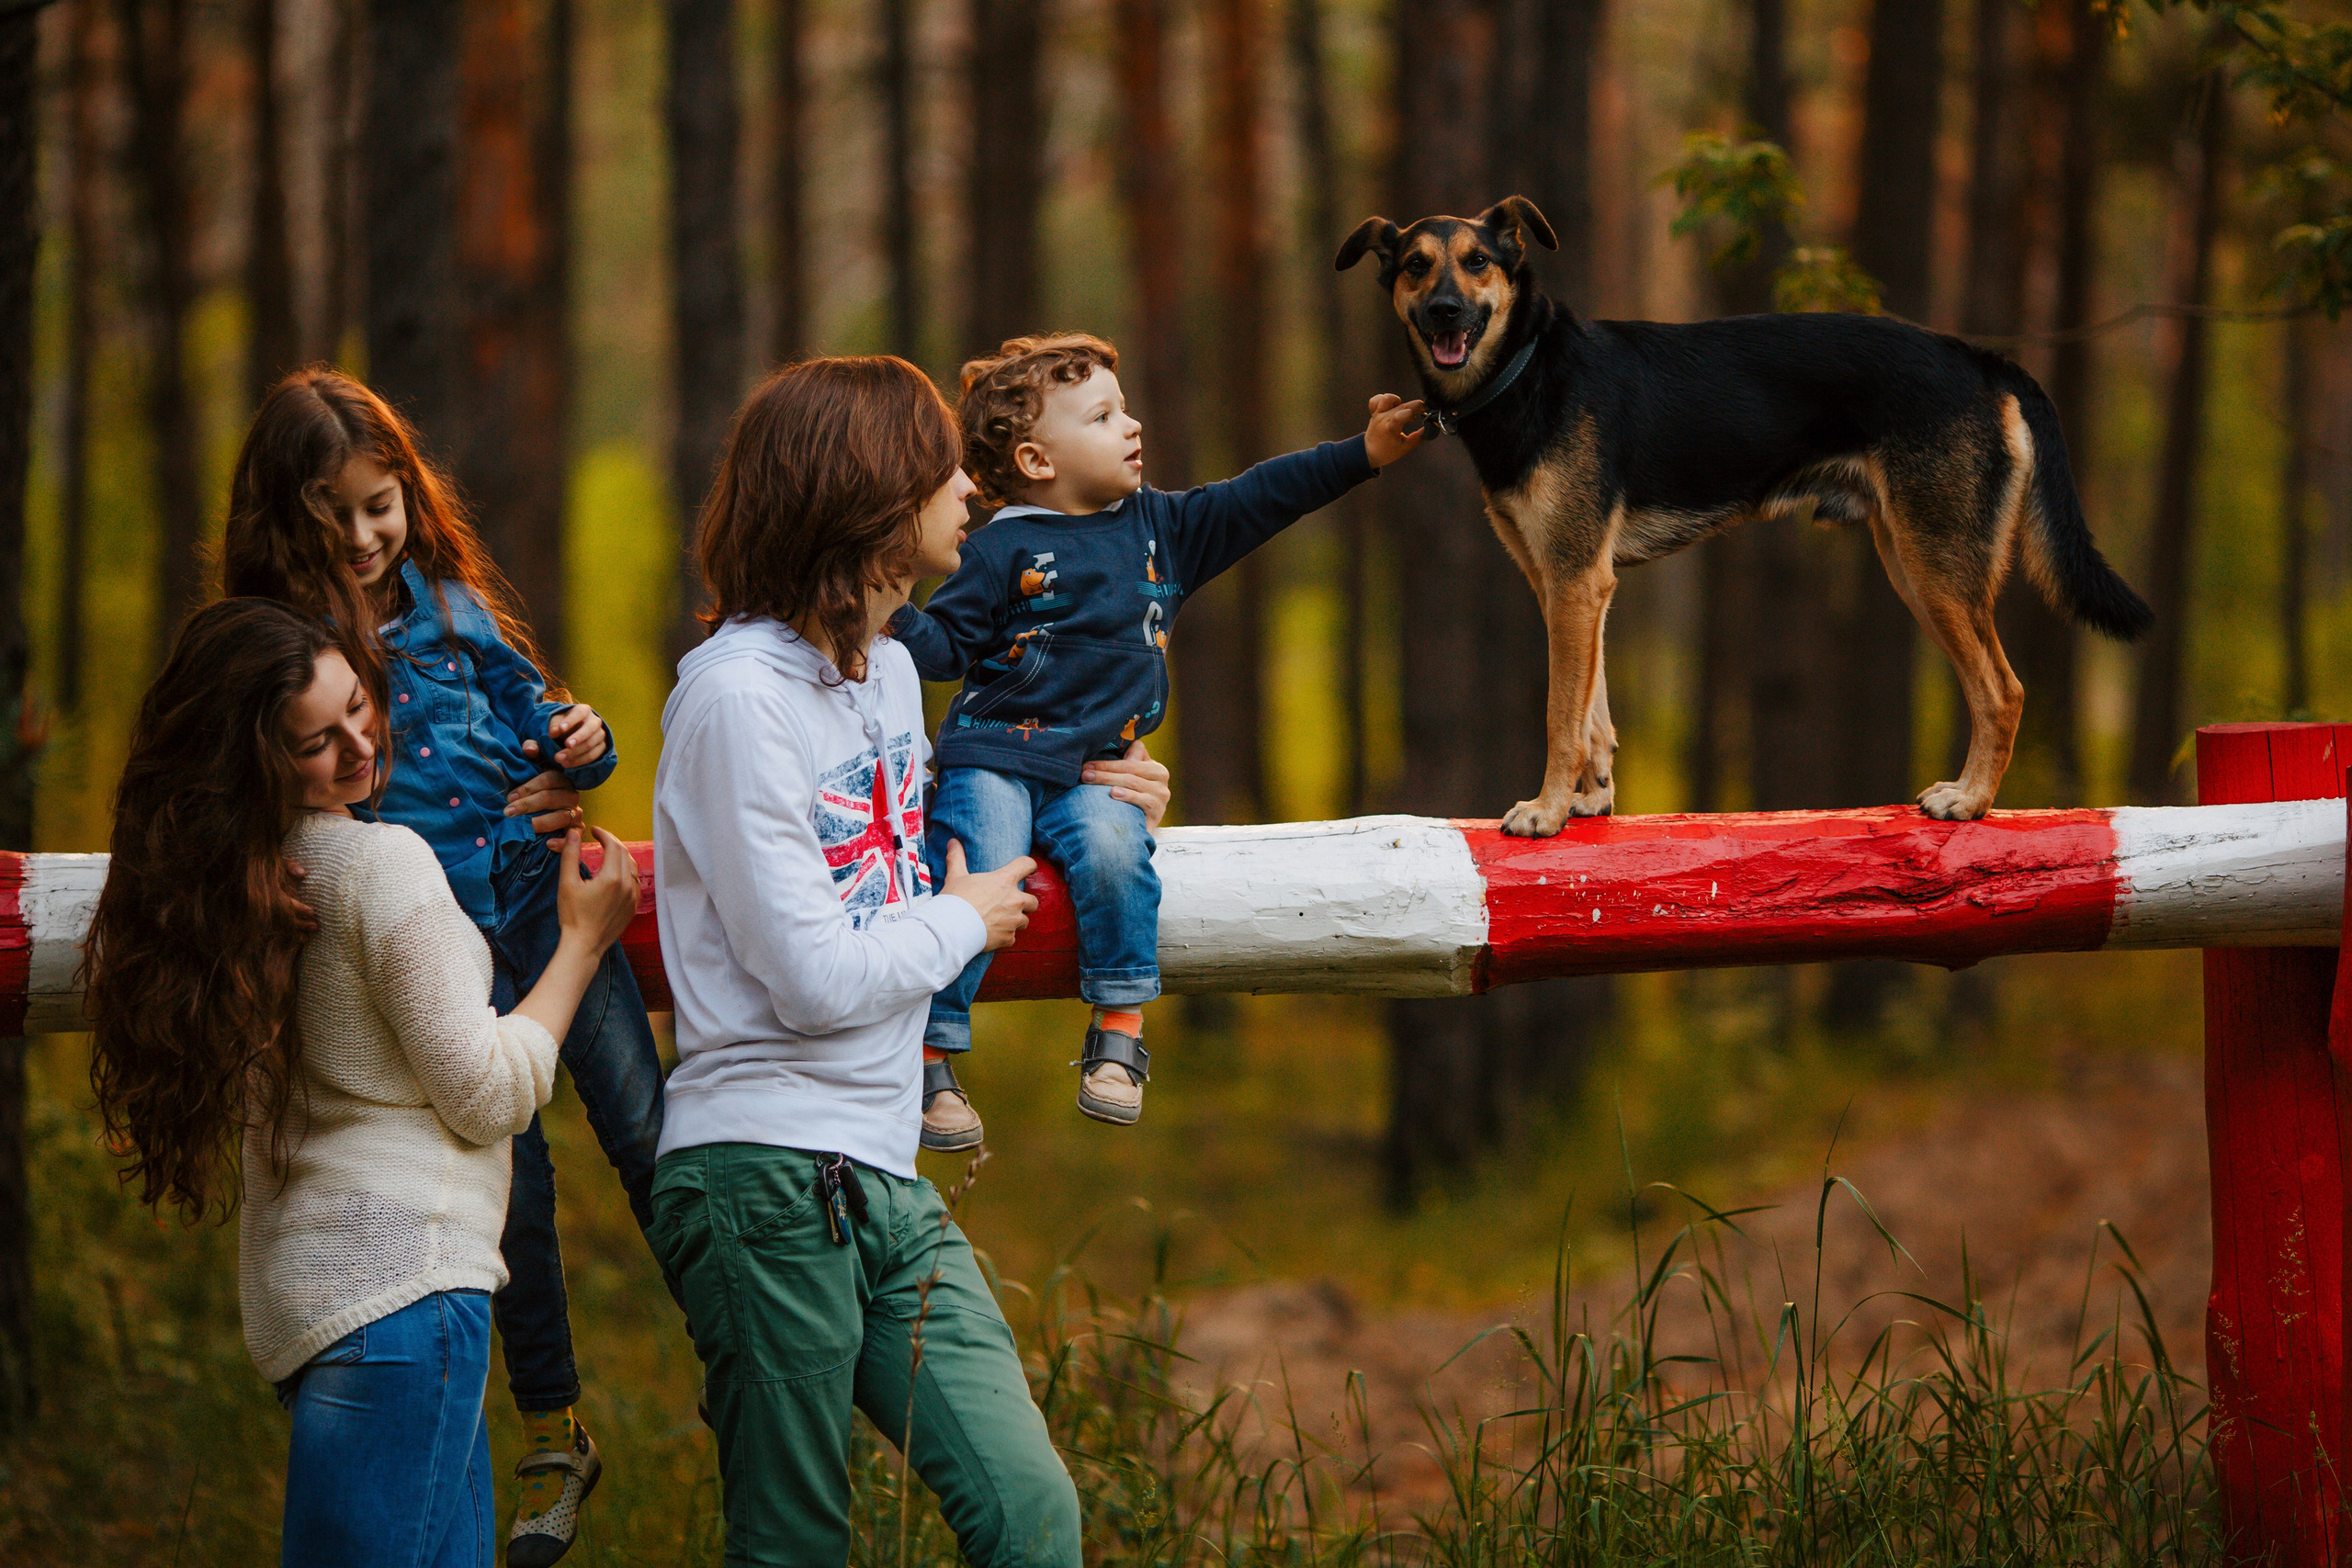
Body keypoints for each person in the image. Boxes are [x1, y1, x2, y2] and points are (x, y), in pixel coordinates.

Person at [650, 355, 1167, 1564]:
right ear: (868, 495)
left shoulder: (882, 666)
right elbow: (812, 977)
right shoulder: (735, 702)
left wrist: (1106, 782)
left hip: (882, 1167)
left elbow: (971, 805)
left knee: (1031, 1512)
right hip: (764, 1172)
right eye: (938, 467)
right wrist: (964, 919)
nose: (966, 486)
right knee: (794, 1542)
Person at [84, 599, 641, 1567]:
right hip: (402, 1304)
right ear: (259, 760)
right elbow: (489, 1094)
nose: (359, 746)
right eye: (317, 742)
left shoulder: (240, 877)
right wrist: (582, 945)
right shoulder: (382, 867)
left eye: (358, 706)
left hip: (329, 1304)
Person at [220, 368, 654, 1565]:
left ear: (410, 492)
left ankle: (739, 1352)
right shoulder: (284, 654)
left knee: (650, 1131)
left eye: (382, 505)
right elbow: (248, 792)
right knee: (520, 1190)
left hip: (535, 889)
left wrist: (578, 750)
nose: (366, 536)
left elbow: (542, 718)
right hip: (440, 946)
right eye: (333, 515)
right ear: (284, 520)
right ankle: (555, 1426)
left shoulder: (455, 608)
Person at [888, 333, 1425, 1147]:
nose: (1132, 425)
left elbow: (1261, 495)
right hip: (995, 755)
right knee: (981, 862)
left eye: (1125, 408)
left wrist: (1365, 453)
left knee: (1117, 856)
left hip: (1102, 769)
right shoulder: (996, 550)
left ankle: (1118, 1033)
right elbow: (941, 652)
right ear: (1036, 460)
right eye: (1102, 416)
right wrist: (889, 602)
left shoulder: (1161, 529)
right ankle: (930, 1054)